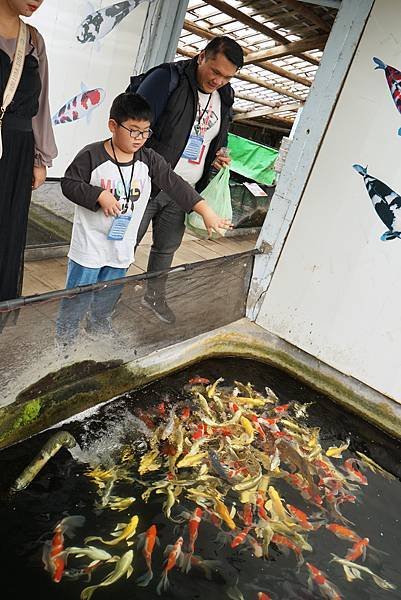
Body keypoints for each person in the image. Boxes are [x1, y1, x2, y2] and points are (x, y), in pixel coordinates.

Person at [56, 92, 230, 343]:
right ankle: (65, 339)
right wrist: (98, 195)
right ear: (113, 126)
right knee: (78, 295)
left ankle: (98, 327)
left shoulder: (148, 159)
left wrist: (205, 211)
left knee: (109, 293)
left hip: (121, 247)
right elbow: (69, 183)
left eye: (145, 132)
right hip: (89, 246)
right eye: (133, 131)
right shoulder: (92, 155)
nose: (139, 138)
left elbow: (174, 183)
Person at [130, 36, 244, 324]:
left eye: (227, 77)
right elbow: (133, 127)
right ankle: (99, 304)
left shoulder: (224, 97)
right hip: (147, 183)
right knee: (124, 247)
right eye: (215, 72)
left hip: (186, 190)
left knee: (167, 247)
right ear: (201, 56)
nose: (219, 81)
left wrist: (216, 156)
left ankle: (153, 296)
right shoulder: (166, 78)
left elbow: (214, 137)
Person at [0, 0, 57, 302]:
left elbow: (41, 102)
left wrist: (40, 158)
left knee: (6, 233)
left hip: (17, 153)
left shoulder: (33, 40)